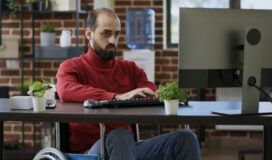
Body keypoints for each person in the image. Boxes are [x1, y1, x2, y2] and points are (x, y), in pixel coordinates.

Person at [56, 8, 200, 160]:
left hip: (128, 148)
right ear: (89, 34)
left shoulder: (130, 69)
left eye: (116, 34)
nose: (112, 40)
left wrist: (156, 95)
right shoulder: (72, 66)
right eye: (106, 33)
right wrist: (116, 97)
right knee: (119, 136)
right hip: (91, 152)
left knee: (186, 138)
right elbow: (65, 90)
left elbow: (150, 89)